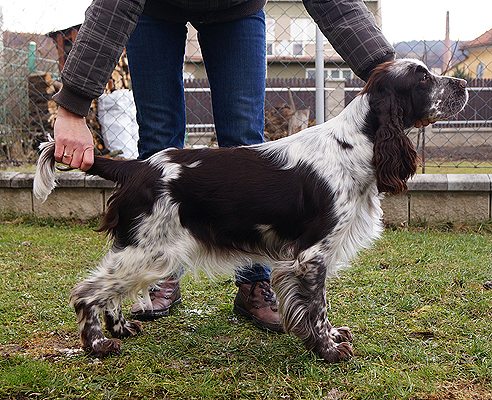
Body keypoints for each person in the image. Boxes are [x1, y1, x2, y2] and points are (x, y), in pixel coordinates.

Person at [52, 0, 431, 331]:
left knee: (246, 140)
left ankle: (255, 283)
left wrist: (389, 74)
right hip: (154, 10)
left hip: (237, 11)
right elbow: (112, 7)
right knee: (158, 141)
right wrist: (73, 104)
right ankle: (157, 274)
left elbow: (334, 3)